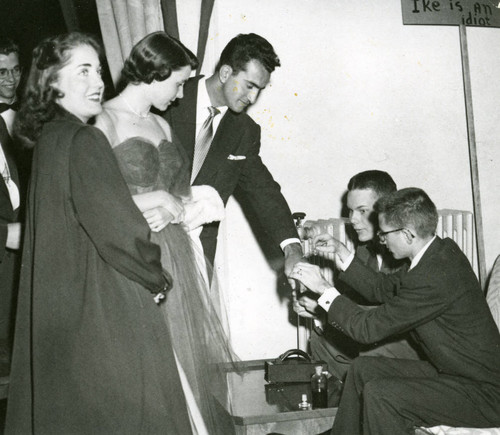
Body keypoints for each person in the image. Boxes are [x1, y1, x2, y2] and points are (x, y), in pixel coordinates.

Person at [5, 32, 194, 434]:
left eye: (98, 70)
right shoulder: (85, 139)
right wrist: (156, 278)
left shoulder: (51, 140)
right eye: (83, 71)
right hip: (108, 302)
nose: (97, 83)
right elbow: (119, 228)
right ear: (53, 81)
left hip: (69, 309)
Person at [95, 31, 235, 435]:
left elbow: (177, 195)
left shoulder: (161, 124)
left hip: (173, 255)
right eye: (177, 82)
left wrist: (175, 208)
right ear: (154, 73)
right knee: (142, 368)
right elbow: (94, 199)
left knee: (184, 368)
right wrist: (152, 201)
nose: (179, 95)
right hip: (131, 255)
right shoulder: (102, 121)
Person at [290, 188, 500, 434]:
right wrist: (340, 252)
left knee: (383, 395)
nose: (381, 240)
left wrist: (324, 289)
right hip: (454, 372)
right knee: (363, 369)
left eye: (384, 233)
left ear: (408, 234)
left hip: (486, 393)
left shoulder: (434, 276)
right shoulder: (435, 254)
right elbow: (380, 288)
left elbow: (367, 329)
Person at [163, 32, 303, 282]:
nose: (252, 98)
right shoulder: (168, 98)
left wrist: (292, 248)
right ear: (226, 73)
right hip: (148, 239)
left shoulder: (245, 131)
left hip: (197, 252)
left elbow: (263, 191)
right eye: (250, 86)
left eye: (259, 90)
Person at [293, 170, 420, 380]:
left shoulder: (407, 253)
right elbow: (348, 305)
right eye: (351, 211)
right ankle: (344, 397)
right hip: (372, 333)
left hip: (405, 342)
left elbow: (385, 321)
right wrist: (320, 311)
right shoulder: (364, 250)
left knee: (368, 353)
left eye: (362, 211)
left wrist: (323, 307)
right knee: (320, 340)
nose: (353, 219)